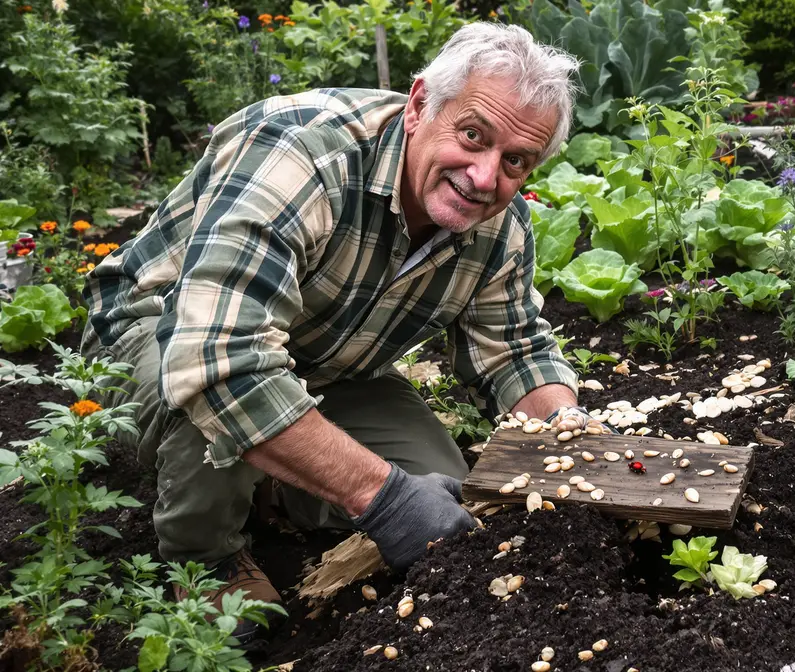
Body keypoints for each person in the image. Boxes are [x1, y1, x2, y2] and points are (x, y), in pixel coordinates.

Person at [81, 23, 587, 639]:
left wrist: (572, 441)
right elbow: (219, 359)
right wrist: (383, 498)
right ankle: (205, 558)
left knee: (442, 485)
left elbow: (514, 350)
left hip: (327, 359)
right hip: (158, 327)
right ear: (420, 106)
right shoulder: (302, 154)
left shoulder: (500, 228)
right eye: (473, 135)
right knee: (227, 403)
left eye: (515, 160)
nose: (485, 178)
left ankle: (273, 475)